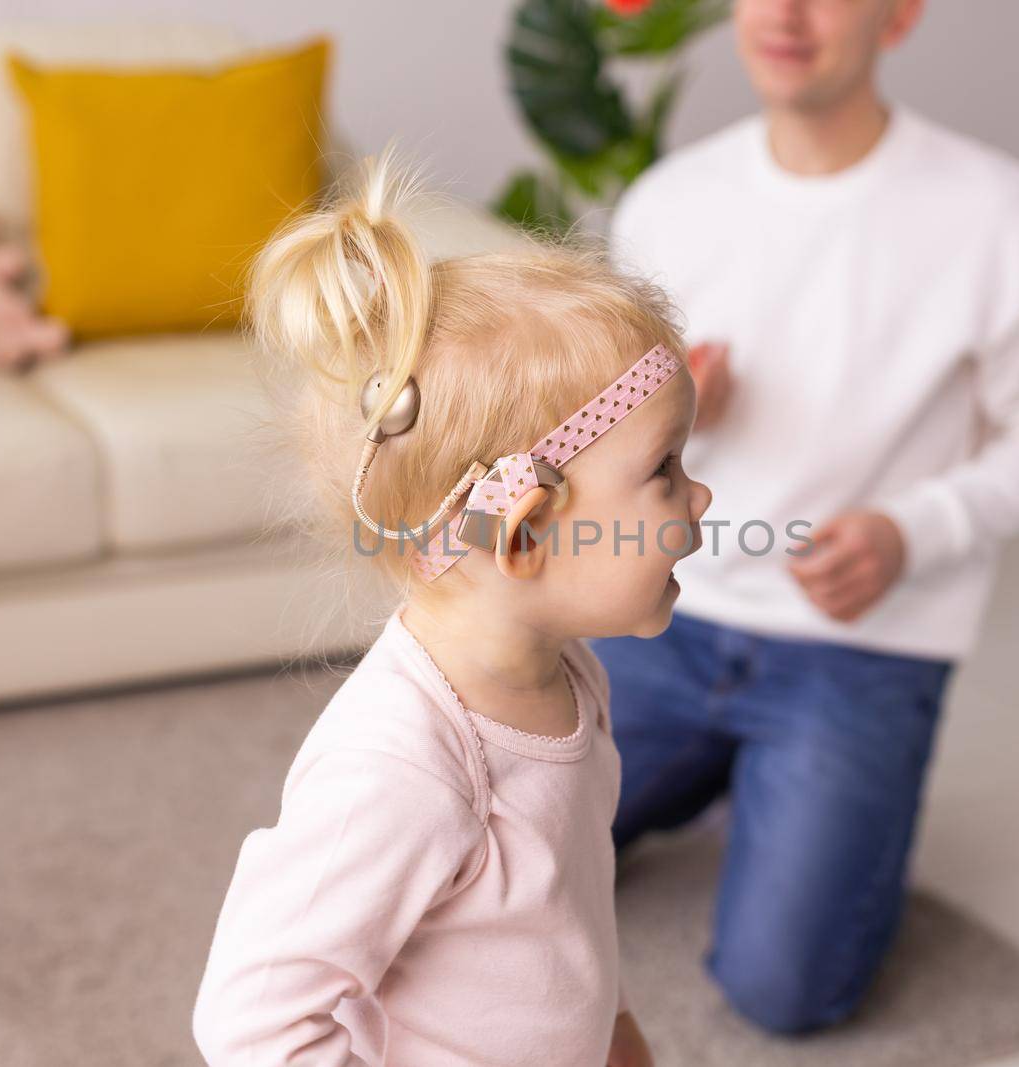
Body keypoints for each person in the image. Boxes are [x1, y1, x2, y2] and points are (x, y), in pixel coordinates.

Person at [592, 0, 1019, 1036]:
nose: (783, 15)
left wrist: (912, 529)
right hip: (667, 615)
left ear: (899, 14)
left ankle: (770, 778)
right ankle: (712, 769)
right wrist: (672, 416)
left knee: (786, 990)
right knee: (486, 853)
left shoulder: (1006, 216)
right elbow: (597, 432)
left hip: (857, 648)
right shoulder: (667, 203)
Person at [191, 151, 711, 1067]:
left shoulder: (570, 673)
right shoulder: (401, 765)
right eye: (664, 469)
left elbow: (565, 915)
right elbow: (255, 1023)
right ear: (520, 536)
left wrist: (617, 1030)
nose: (700, 497)